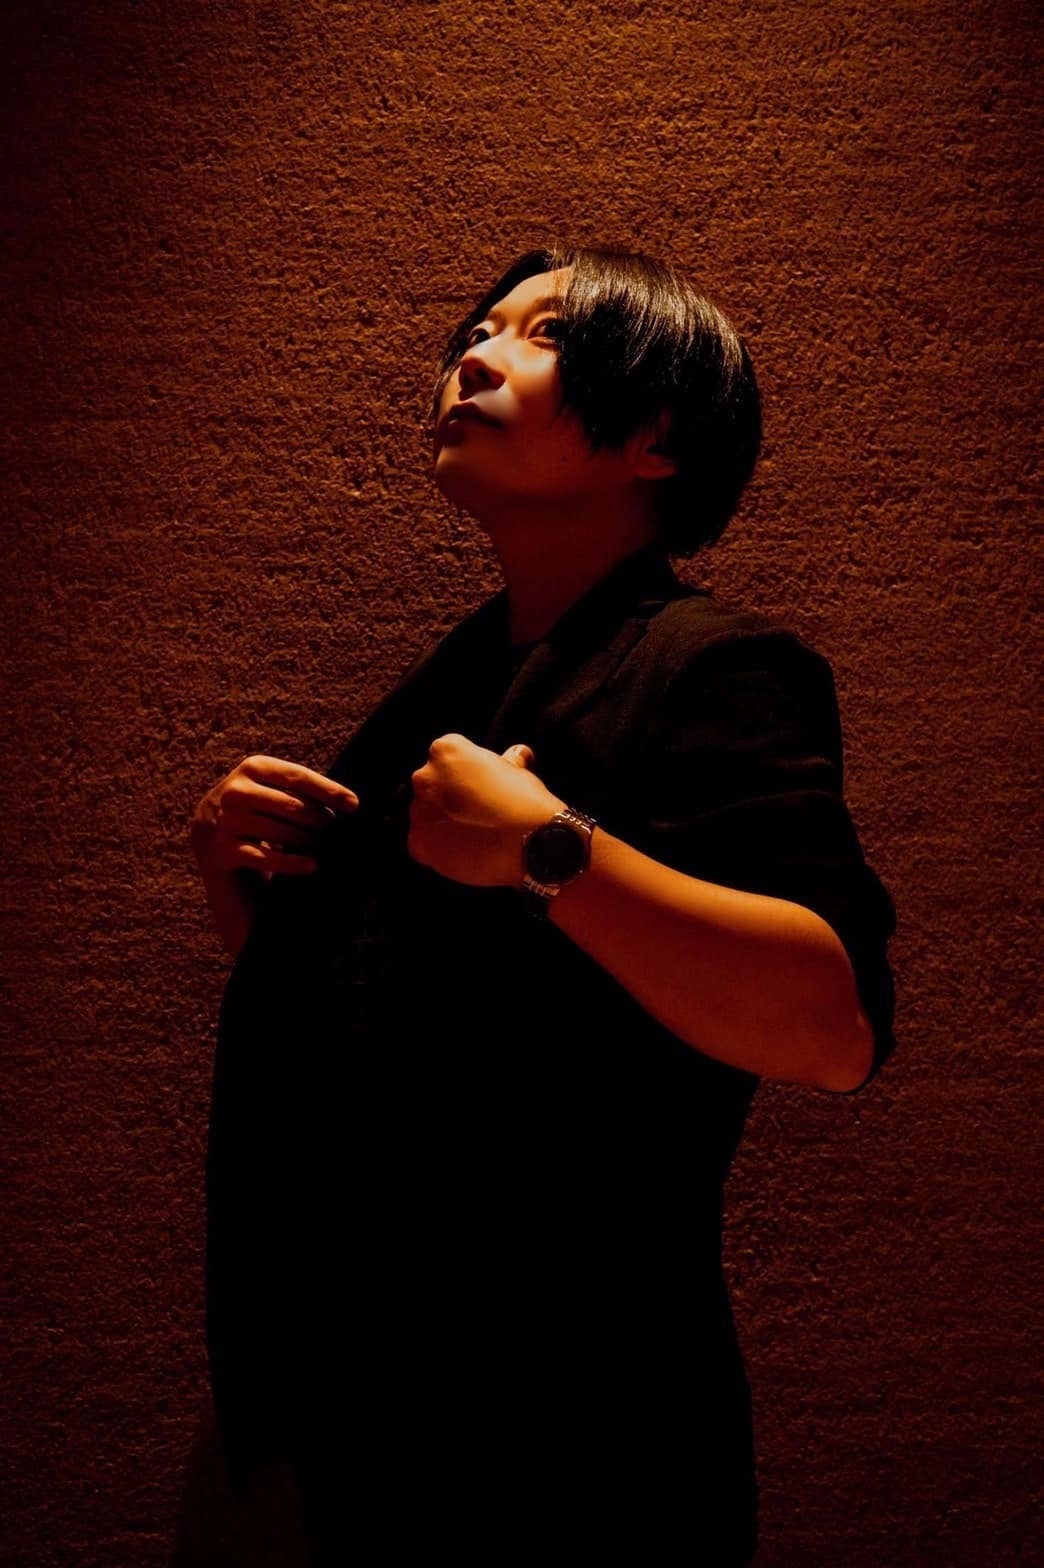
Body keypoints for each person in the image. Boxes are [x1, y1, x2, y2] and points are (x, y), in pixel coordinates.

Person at [191, 244, 897, 1565]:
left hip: (582, 1433)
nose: (472, 353)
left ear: (656, 438)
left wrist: (548, 851)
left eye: (544, 333)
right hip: (360, 1420)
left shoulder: (717, 666)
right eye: (476, 327)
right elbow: (399, 1034)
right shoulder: (436, 697)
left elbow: (832, 1027)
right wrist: (257, 902)